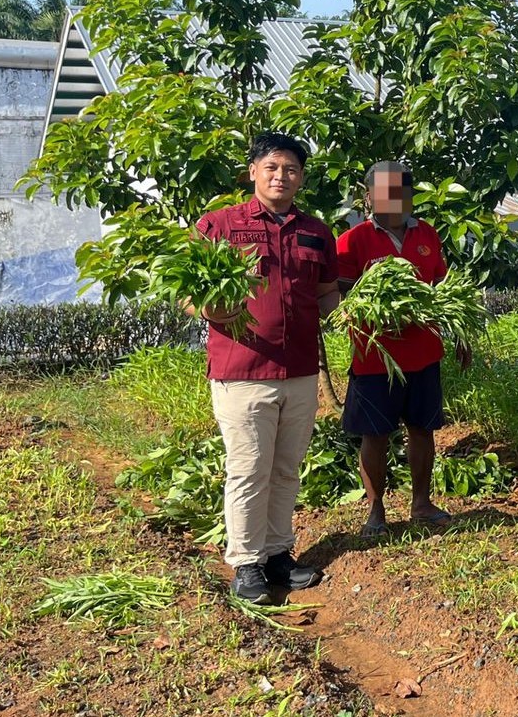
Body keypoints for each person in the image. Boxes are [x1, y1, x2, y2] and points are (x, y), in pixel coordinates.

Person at [193, 132, 339, 604]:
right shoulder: (220, 226)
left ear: (301, 176)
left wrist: (344, 311)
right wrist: (209, 310)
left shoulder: (316, 231)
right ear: (253, 170)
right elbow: (186, 291)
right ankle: (246, 562)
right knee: (248, 468)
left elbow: (327, 292)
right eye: (273, 167)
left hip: (299, 371)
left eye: (291, 169)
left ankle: (278, 553)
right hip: (243, 371)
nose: (282, 176)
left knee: (285, 468)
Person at [336, 162, 463, 538]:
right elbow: (342, 295)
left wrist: (460, 336)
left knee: (423, 429)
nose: (392, 198)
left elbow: (443, 289)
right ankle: (376, 510)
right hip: (376, 358)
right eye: (383, 191)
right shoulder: (353, 240)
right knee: (374, 434)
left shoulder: (426, 234)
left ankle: (421, 504)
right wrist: (377, 311)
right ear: (369, 195)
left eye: (399, 191)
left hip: (424, 353)